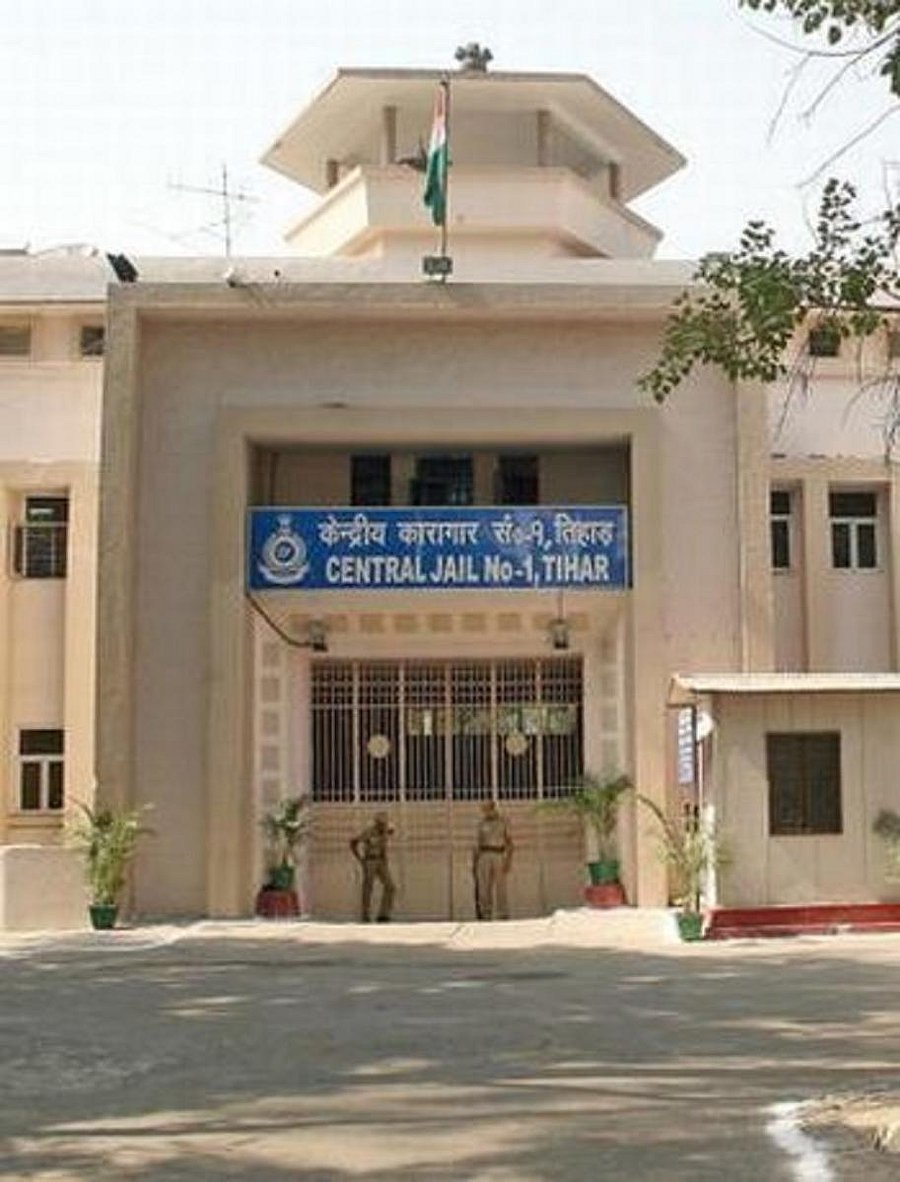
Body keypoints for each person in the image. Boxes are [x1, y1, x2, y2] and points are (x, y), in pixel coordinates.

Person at [350, 812, 396, 922]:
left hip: (381, 860)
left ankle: (383, 914)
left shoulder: (385, 831)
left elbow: (391, 832)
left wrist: (385, 859)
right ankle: (365, 915)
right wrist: (360, 859)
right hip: (370, 860)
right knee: (368, 888)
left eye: (384, 823)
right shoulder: (368, 831)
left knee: (390, 886)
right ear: (376, 823)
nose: (383, 826)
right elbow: (353, 842)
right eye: (381, 823)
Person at [473, 800, 513, 920]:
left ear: (493, 808)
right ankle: (485, 914)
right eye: (484, 810)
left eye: (487, 809)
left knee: (501, 887)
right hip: (484, 855)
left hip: (498, 854)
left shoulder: (503, 822)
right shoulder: (481, 823)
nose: (485, 812)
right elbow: (478, 844)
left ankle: (503, 914)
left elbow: (510, 843)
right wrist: (475, 863)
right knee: (484, 887)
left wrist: (508, 860)